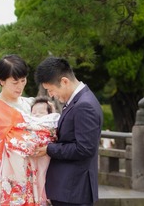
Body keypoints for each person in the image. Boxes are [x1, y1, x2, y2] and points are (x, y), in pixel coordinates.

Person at [0, 54, 54, 206]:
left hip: (31, 176)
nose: (20, 86)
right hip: (3, 181)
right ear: (1, 81)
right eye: (15, 82)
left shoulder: (32, 105)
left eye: (23, 81)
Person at [34, 57, 103, 206]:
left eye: (51, 90)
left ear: (64, 81)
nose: (51, 95)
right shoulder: (77, 100)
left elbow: (84, 149)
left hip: (73, 190)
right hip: (69, 189)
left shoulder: (84, 105)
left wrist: (49, 148)